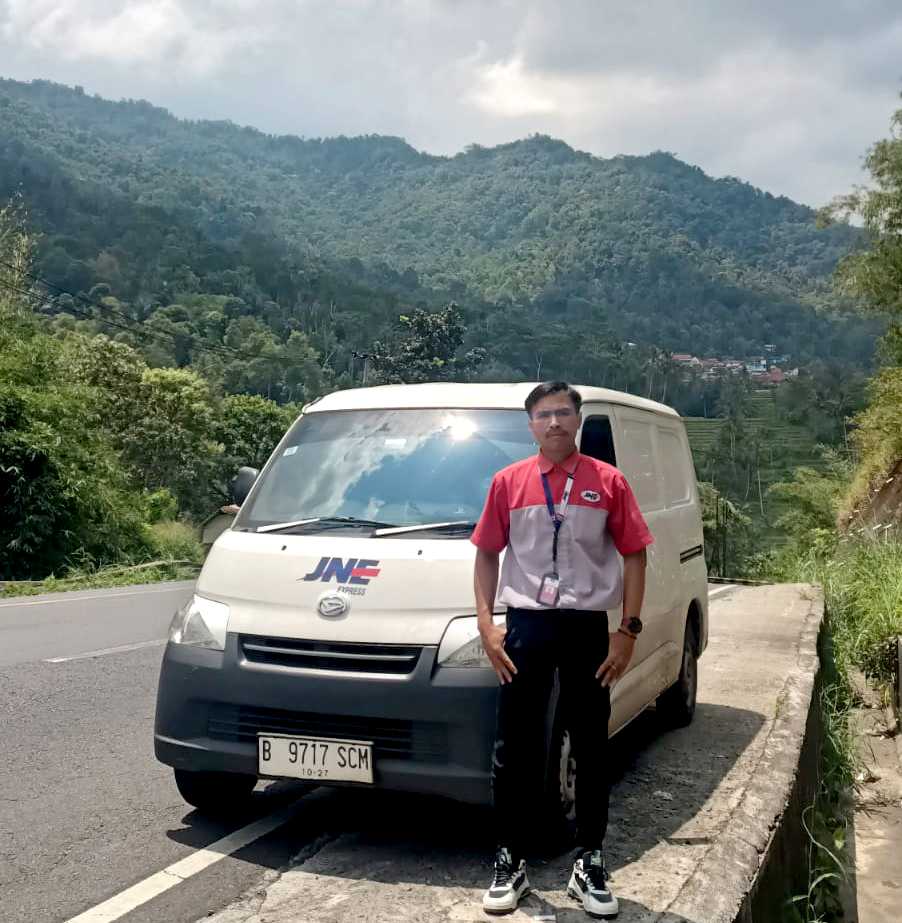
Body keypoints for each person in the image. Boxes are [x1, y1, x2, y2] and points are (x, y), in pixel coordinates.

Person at [471, 381, 653, 918]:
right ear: (530, 425)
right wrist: (486, 625)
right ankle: (510, 858)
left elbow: (635, 554)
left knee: (591, 745)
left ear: (578, 419)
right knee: (514, 747)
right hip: (526, 626)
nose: (554, 422)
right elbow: (486, 553)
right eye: (543, 415)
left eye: (563, 413)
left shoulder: (608, 482)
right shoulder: (508, 482)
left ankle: (589, 861)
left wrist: (628, 630)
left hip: (586, 628)